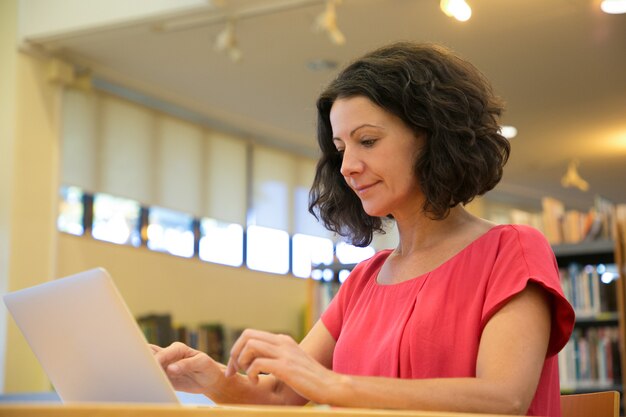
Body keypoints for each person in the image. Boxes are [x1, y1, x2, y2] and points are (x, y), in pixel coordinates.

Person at [152, 42, 575, 416]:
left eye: (367, 141)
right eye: (340, 149)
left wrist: (334, 386)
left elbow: (504, 398)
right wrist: (207, 377)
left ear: (433, 136)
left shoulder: (512, 251)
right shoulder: (363, 281)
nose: (348, 166)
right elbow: (280, 396)